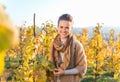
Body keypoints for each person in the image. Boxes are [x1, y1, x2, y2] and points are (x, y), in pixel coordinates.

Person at [50, 13, 87, 82]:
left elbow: (82, 67)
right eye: (61, 27)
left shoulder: (77, 45)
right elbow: (51, 64)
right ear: (57, 27)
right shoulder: (53, 44)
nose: (63, 30)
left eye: (67, 28)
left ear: (71, 28)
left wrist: (64, 72)